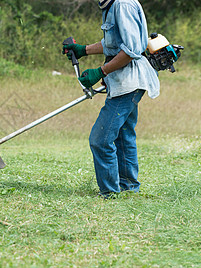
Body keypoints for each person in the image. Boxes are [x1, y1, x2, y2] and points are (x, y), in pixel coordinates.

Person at [62, 0, 159, 198]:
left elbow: (131, 50)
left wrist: (101, 71)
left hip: (129, 82)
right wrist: (83, 49)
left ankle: (109, 193)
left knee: (101, 139)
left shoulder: (122, 4)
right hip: (124, 82)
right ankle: (129, 189)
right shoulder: (112, 5)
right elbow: (113, 44)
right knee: (124, 136)